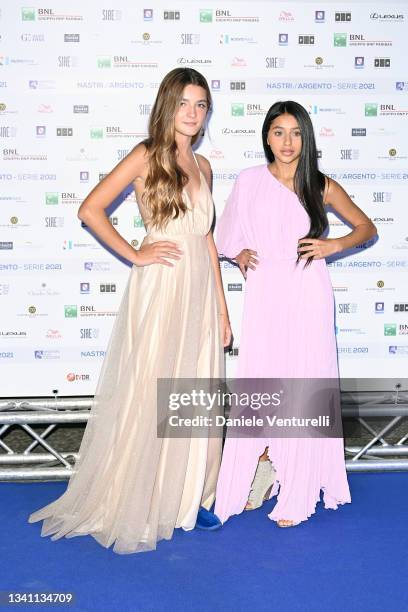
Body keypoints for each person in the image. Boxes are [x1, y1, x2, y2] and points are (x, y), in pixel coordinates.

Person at [28, 67, 232, 553]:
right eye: (185, 102)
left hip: (200, 290)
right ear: (168, 104)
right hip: (160, 286)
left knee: (195, 390)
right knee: (152, 387)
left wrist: (222, 309)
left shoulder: (203, 167)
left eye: (201, 105)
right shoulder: (146, 155)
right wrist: (138, 252)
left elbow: (207, 239)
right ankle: (146, 494)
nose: (193, 113)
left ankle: (191, 497)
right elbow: (90, 209)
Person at [214, 100, 377, 528]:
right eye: (279, 132)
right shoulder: (249, 181)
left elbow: (366, 228)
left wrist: (333, 245)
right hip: (266, 295)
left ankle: (299, 486)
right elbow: (225, 234)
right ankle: (264, 468)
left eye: (296, 133)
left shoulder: (318, 184)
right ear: (267, 136)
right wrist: (238, 251)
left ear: (306, 138)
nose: (288, 142)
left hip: (309, 295)